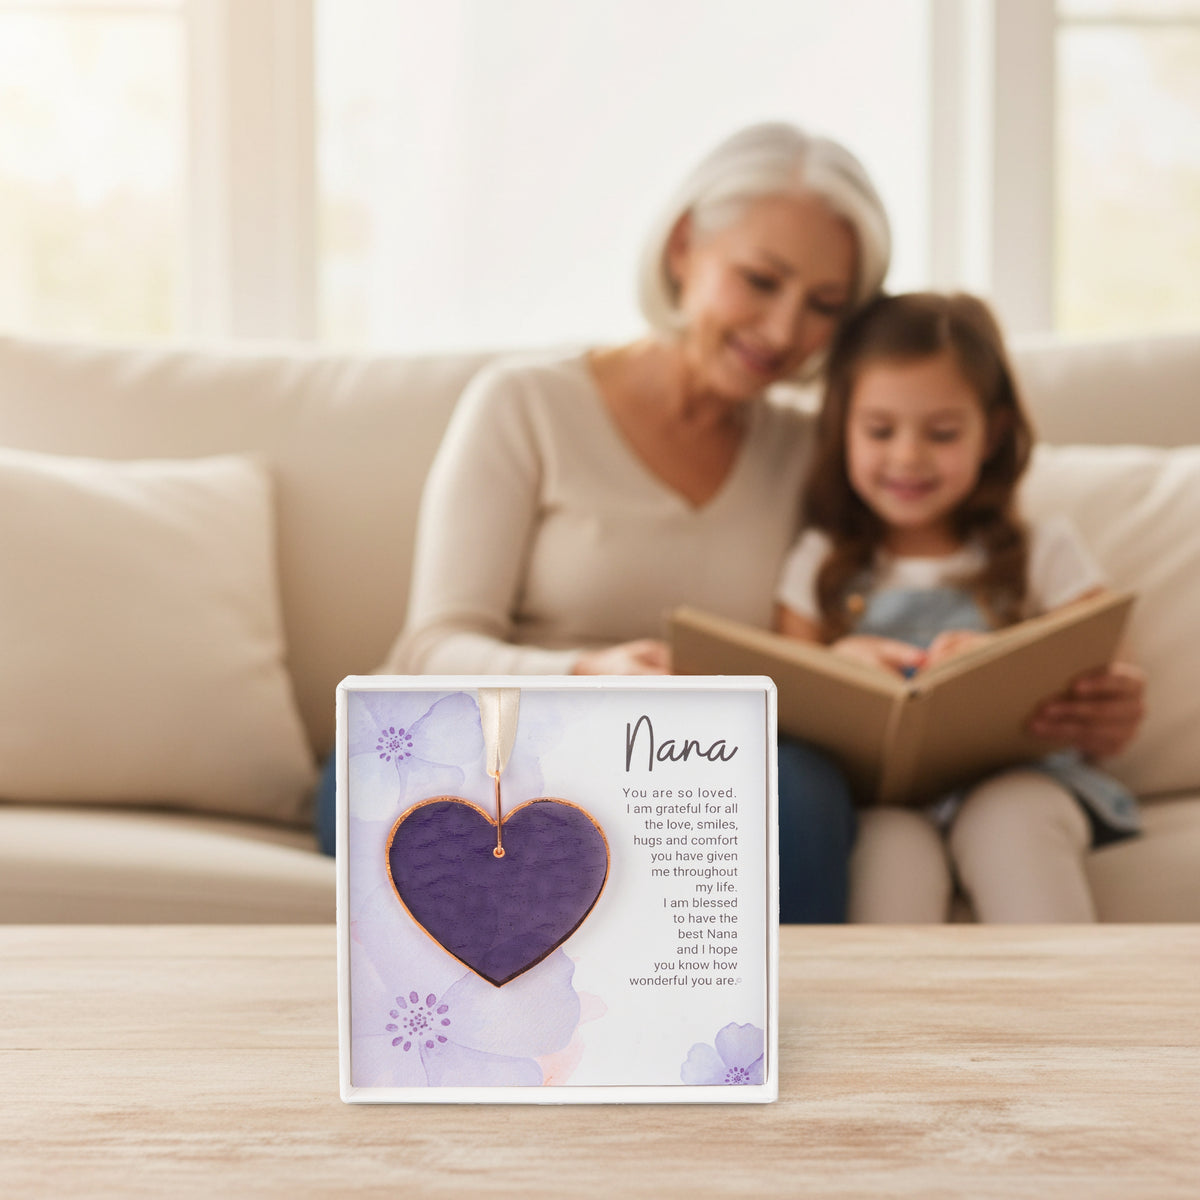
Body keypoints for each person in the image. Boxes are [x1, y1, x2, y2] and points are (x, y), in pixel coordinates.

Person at [315, 121, 892, 923]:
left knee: (801, 791)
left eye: (824, 306)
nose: (787, 331)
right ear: (685, 247)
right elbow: (429, 649)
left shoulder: (811, 451)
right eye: (761, 280)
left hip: (678, 769)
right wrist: (588, 676)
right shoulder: (526, 404)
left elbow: (831, 624)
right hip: (486, 752)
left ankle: (767, 1046)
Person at [774, 291, 1144, 922]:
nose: (908, 456)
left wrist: (1008, 665)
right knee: (888, 853)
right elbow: (786, 695)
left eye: (941, 433)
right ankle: (891, 1026)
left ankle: (1061, 1016)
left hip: (1024, 782)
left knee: (1014, 823)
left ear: (992, 432)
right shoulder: (820, 559)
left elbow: (1109, 672)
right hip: (886, 802)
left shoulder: (1043, 549)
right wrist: (844, 660)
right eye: (880, 430)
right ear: (843, 429)